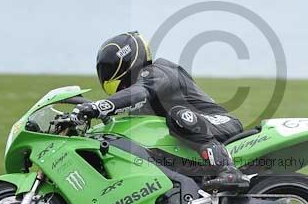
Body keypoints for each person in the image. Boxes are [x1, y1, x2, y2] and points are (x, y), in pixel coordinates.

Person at [72, 31, 249, 191]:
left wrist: (97, 107)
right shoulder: (138, 106)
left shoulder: (158, 71)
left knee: (178, 116)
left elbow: (139, 92)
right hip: (191, 139)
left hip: (220, 122)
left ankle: (228, 170)